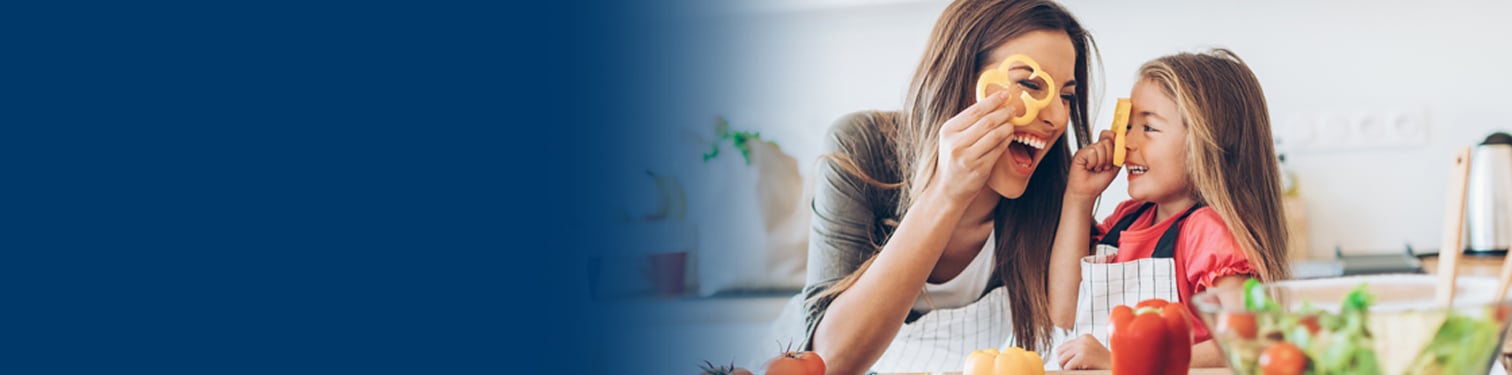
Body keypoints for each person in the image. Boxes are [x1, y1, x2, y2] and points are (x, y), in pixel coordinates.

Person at [795, 0, 1098, 373]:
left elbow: (1069, 323)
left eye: (1066, 96)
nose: (1054, 117)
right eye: (1029, 84)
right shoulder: (862, 146)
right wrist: (948, 191)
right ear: (960, 77)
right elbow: (830, 362)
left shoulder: (1056, 191)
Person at [1047, 48, 1291, 370]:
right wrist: (1078, 197)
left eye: (1148, 128)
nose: (1127, 143)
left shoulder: (1207, 231)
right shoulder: (1127, 220)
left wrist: (1123, 362)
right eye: (1129, 126)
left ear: (1205, 144)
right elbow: (1065, 311)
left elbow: (1246, 341)